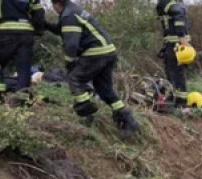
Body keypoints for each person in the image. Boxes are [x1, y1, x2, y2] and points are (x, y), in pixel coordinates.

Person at [49, 0, 140, 138]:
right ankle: (128, 120)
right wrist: (45, 25)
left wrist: (70, 63)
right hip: (107, 52)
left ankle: (88, 114)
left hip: (96, 53)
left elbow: (71, 45)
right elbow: (61, 29)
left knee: (75, 78)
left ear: (56, 4)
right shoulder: (72, 11)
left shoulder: (68, 16)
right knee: (104, 88)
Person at [0, 0, 45, 100]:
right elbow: (39, 13)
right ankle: (22, 100)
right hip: (26, 33)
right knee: (23, 68)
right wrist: (38, 30)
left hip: (5, 31)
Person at [156, 0, 189, 107]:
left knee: (175, 72)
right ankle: (176, 97)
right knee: (174, 72)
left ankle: (179, 100)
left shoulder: (169, 4)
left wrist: (182, 39)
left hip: (176, 44)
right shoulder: (175, 3)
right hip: (174, 43)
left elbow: (178, 18)